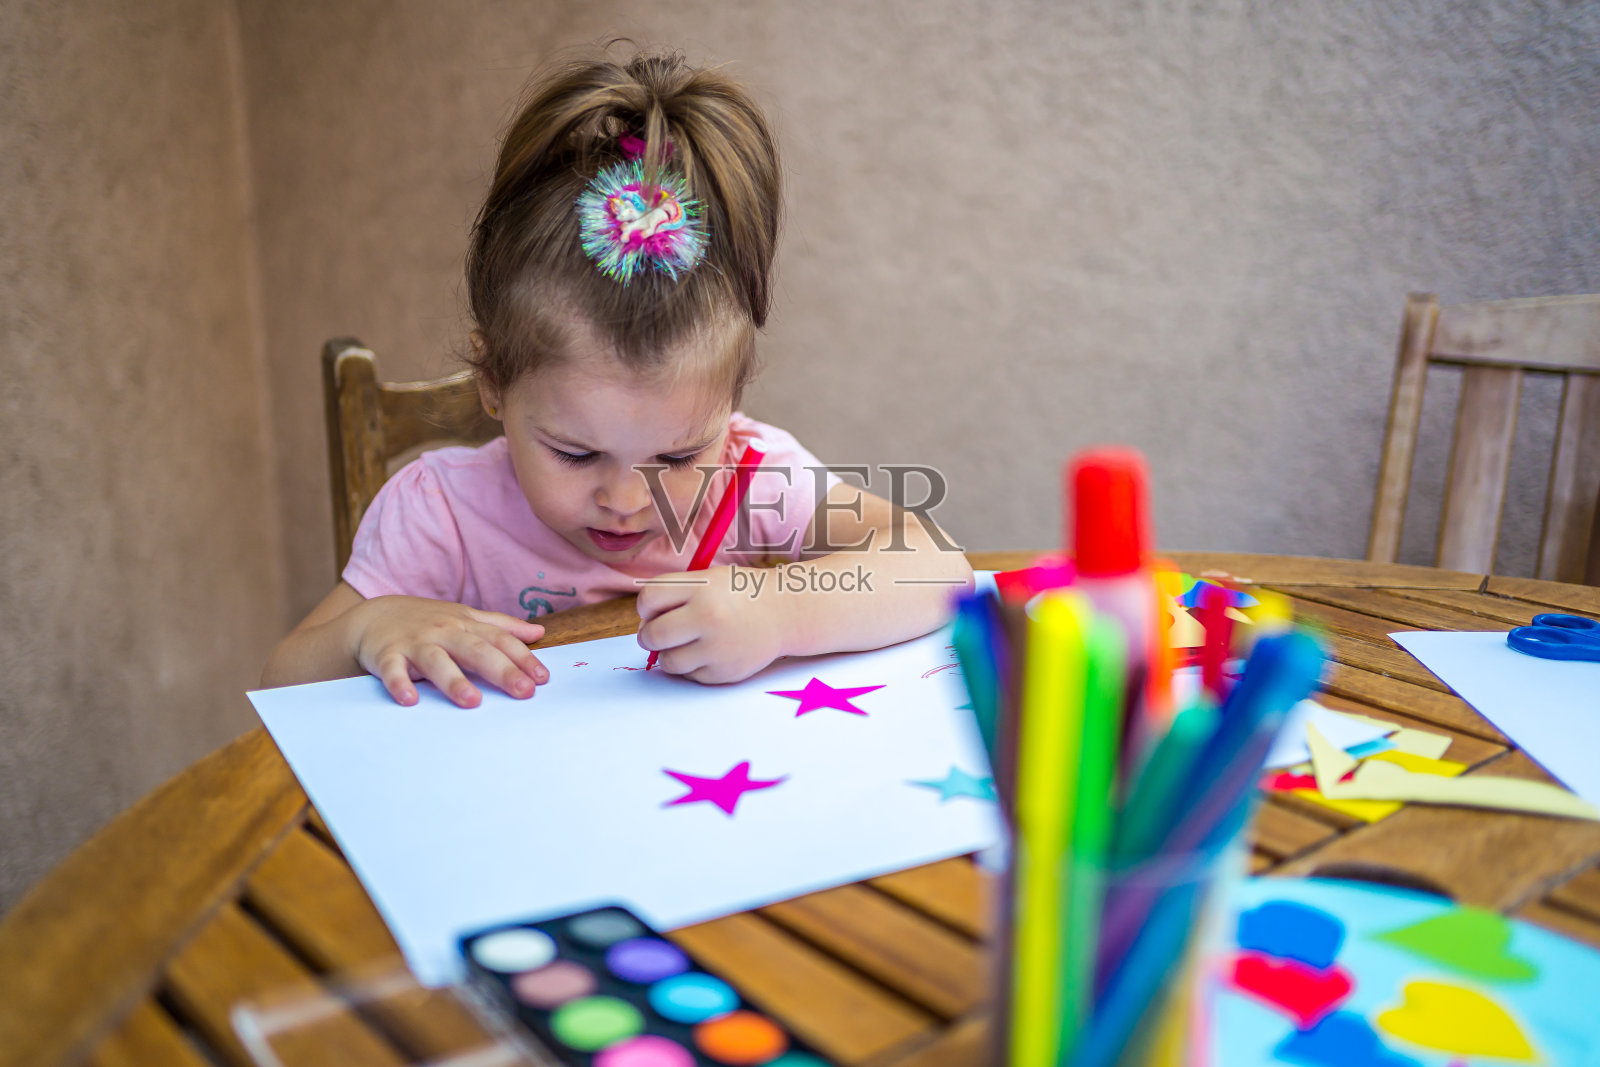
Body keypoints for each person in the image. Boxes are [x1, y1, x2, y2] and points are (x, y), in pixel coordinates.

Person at [261, 49, 971, 707]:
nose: (628, 500)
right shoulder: (440, 514)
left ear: (732, 403)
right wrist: (371, 628)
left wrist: (781, 612)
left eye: (677, 456)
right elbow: (279, 682)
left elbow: (939, 568)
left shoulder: (753, 484)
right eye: (576, 452)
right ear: (493, 385)